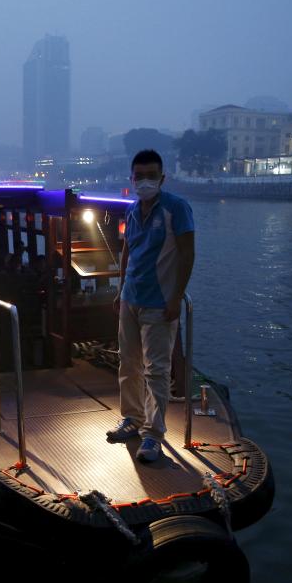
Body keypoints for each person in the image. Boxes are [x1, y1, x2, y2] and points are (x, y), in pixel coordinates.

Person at [107, 149, 195, 463]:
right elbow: (127, 252)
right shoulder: (131, 212)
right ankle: (131, 418)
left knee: (157, 370)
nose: (145, 181)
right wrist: (120, 290)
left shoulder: (176, 209)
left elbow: (187, 255)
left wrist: (176, 297)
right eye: (139, 176)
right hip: (131, 298)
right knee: (127, 363)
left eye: (151, 176)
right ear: (132, 179)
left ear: (162, 178)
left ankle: (153, 436)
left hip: (160, 303)